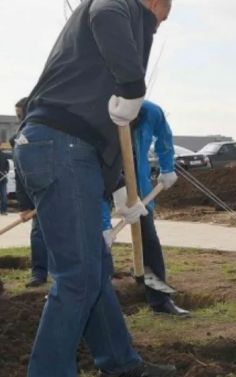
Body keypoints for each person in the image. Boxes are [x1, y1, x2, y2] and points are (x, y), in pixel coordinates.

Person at [14, 0, 176, 376]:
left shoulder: (90, 69)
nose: (156, 28)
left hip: (66, 148)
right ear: (153, 3)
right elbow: (105, 12)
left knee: (94, 270)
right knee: (79, 276)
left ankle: (120, 363)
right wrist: (134, 86)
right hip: (60, 146)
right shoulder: (116, 6)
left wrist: (120, 189)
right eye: (160, 20)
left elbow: (99, 128)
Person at [104, 100, 189, 316]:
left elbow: (164, 136)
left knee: (148, 240)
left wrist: (167, 167)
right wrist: (104, 225)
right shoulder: (97, 109)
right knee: (97, 243)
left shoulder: (150, 111)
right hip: (100, 182)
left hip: (137, 184)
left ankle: (160, 301)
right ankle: (101, 304)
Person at [13, 97, 49, 288]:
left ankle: (66, 274)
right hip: (37, 197)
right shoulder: (18, 139)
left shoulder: (50, 132)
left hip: (59, 193)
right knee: (38, 235)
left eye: (21, 115)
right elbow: (19, 176)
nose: (20, 120)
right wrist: (25, 206)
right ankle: (39, 273)